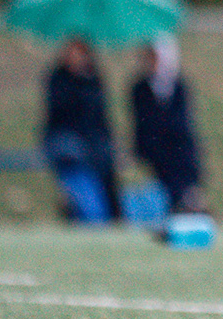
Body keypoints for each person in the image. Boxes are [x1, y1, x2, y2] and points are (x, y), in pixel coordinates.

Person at [40, 37, 119, 224]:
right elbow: (60, 116)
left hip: (95, 151)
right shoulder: (58, 80)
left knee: (104, 202)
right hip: (70, 151)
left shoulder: (94, 80)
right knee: (91, 210)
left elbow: (101, 118)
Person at [129, 35, 206, 214]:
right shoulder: (140, 88)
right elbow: (144, 126)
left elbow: (181, 127)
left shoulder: (179, 87)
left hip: (178, 156)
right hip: (152, 155)